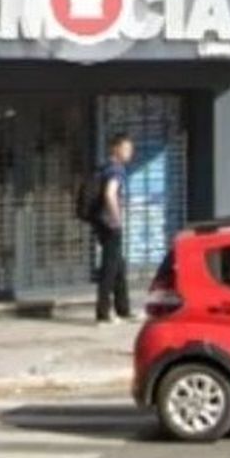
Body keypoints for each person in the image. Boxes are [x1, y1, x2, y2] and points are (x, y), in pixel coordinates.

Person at [94, 133, 134, 324]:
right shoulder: (116, 170)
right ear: (115, 149)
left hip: (103, 222)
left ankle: (123, 309)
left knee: (119, 266)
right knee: (110, 268)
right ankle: (103, 313)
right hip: (110, 224)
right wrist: (117, 218)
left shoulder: (104, 167)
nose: (130, 153)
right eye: (126, 149)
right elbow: (110, 194)